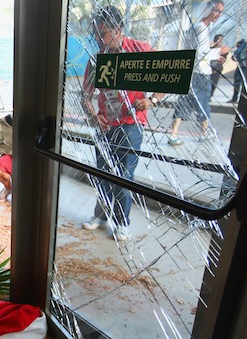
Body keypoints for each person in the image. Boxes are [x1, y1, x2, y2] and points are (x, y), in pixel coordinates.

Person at [81, 6, 165, 241]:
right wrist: (93, 115)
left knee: (123, 175)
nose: (98, 39)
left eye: (103, 33)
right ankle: (101, 215)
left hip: (131, 123)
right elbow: (85, 95)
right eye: (96, 35)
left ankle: (122, 222)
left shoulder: (140, 50)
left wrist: (151, 101)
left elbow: (170, 77)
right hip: (105, 124)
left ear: (118, 30)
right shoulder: (97, 59)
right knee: (101, 172)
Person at [168, 0, 225, 146]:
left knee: (185, 103)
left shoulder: (199, 27)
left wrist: (215, 55)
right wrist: (219, 51)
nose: (218, 15)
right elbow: (200, 53)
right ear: (209, 10)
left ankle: (175, 133)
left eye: (221, 12)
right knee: (202, 102)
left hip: (194, 72)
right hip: (200, 73)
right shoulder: (201, 28)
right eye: (217, 11)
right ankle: (203, 133)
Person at [209, 34, 230, 99]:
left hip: (217, 69)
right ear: (215, 40)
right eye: (218, 40)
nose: (220, 42)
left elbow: (223, 59)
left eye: (221, 40)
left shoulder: (223, 50)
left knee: (214, 84)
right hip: (209, 69)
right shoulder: (210, 49)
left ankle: (209, 97)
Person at [229, 39, 247, 103]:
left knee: (243, 84)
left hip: (246, 67)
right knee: (237, 83)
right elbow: (236, 55)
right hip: (241, 66)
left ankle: (241, 100)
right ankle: (235, 98)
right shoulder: (245, 44)